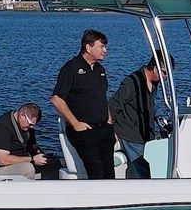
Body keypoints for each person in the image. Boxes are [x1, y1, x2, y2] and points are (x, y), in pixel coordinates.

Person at [51, 28, 115, 179]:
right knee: (96, 169)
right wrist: (75, 123)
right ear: (88, 47)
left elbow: (101, 97)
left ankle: (110, 194)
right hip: (84, 130)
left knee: (109, 171)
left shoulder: (100, 69)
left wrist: (109, 122)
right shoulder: (71, 68)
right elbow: (57, 99)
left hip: (104, 129)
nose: (105, 50)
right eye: (101, 46)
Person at [109, 51, 175, 179]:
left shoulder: (154, 83)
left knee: (150, 164)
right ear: (155, 69)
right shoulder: (132, 82)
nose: (167, 77)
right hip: (130, 135)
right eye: (165, 73)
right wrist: (111, 132)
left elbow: (149, 107)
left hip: (145, 135)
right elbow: (112, 106)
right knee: (143, 172)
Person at [0, 102, 50, 179]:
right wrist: (32, 160)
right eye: (30, 124)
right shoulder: (1, 128)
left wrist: (41, 155)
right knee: (27, 168)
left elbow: (33, 147)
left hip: (19, 163)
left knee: (53, 164)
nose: (31, 127)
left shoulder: (27, 128)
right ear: (22, 116)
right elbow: (2, 160)